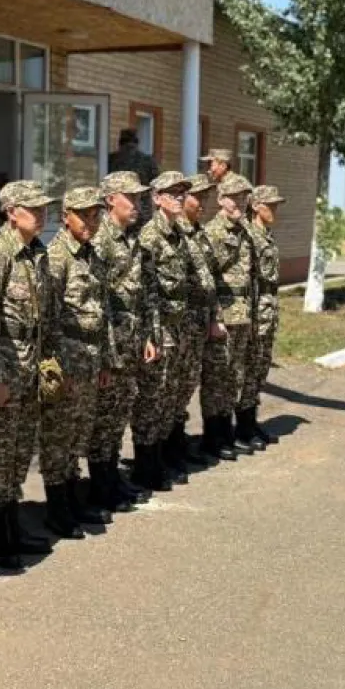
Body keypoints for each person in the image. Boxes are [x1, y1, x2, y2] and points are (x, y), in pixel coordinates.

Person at [0, 180, 58, 569]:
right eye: (33, 208)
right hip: (7, 366)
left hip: (31, 367)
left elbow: (46, 318)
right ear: (10, 212)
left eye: (44, 208)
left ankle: (12, 526)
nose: (42, 214)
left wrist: (48, 366)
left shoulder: (37, 253)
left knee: (21, 451)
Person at [39, 186, 115, 538]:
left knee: (78, 434)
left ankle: (72, 497)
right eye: (83, 214)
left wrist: (104, 360)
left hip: (90, 356)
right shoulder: (56, 258)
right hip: (67, 360)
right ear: (65, 216)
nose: (91, 221)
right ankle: (57, 508)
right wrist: (57, 369)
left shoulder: (92, 255)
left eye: (96, 215)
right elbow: (48, 319)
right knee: (59, 437)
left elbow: (102, 310)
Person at [87, 171, 159, 512]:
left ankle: (113, 478)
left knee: (118, 415)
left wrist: (146, 335)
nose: (138, 204)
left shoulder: (131, 238)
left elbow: (141, 293)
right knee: (103, 420)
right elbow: (94, 304)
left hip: (130, 341)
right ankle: (100, 486)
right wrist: (104, 355)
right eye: (131, 197)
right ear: (110, 199)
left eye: (141, 197)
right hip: (111, 345)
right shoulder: (99, 241)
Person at [129, 172, 195, 491]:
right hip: (158, 328)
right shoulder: (149, 237)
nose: (180, 197)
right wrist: (149, 336)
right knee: (151, 398)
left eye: (183, 192)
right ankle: (145, 466)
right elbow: (144, 293)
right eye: (172, 192)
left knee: (170, 395)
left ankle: (162, 457)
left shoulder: (178, 234)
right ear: (156, 198)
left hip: (178, 326)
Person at [202, 173, 259, 453]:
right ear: (221, 199)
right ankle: (213, 437)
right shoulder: (213, 232)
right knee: (217, 377)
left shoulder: (245, 231)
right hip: (224, 315)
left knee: (233, 375)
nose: (239, 202)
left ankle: (226, 432)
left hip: (242, 315)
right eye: (233, 197)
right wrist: (214, 318)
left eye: (243, 197)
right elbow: (207, 279)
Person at [176, 173, 229, 464]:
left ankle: (179, 445)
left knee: (186, 386)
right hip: (180, 326)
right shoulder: (178, 233)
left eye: (208, 197)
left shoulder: (200, 233)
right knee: (173, 390)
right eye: (199, 197)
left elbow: (211, 281)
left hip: (198, 322)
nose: (203, 203)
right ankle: (173, 448)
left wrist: (213, 317)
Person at [242, 185, 286, 447]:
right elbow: (249, 281)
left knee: (260, 369)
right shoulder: (251, 237)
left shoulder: (266, 236)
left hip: (268, 313)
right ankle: (244, 426)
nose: (275, 210)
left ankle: (252, 421)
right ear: (256, 206)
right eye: (270, 205)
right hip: (256, 314)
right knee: (249, 370)